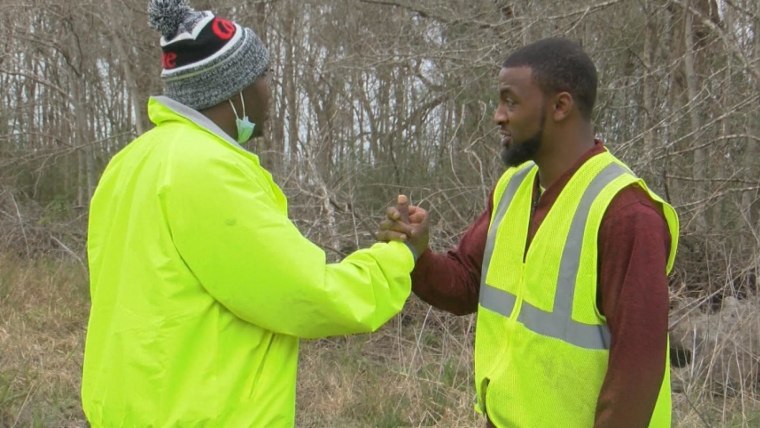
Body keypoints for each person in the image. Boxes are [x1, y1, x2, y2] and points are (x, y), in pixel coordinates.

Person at [80, 0, 417, 426]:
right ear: (235, 88)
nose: (269, 91)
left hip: (132, 408)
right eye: (264, 76)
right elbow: (307, 294)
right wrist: (398, 255)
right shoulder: (207, 169)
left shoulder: (131, 160)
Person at [377, 38, 679, 427]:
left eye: (511, 101)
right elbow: (467, 284)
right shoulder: (514, 187)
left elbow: (636, 377)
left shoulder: (626, 213)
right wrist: (418, 254)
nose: (498, 116)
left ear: (560, 106)